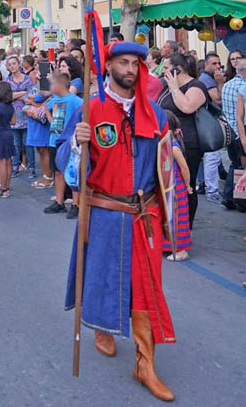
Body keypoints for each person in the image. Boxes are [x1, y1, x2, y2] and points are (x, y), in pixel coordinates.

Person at [63, 41, 176, 402]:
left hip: (144, 214)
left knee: (146, 287)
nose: (130, 69)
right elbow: (68, 168)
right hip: (105, 211)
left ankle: (145, 363)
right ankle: (102, 327)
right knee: (104, 277)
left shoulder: (154, 115)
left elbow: (165, 168)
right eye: (123, 62)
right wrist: (77, 145)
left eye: (136, 64)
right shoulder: (89, 111)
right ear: (108, 65)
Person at [157, 53, 208, 227]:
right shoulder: (167, 86)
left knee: (187, 184)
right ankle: (170, 226)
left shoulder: (196, 86)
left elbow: (186, 107)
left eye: (166, 68)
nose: (162, 71)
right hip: (166, 141)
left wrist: (174, 88)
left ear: (177, 69)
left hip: (188, 144)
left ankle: (186, 227)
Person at [44, 72, 82, 217]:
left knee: (72, 172)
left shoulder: (74, 100)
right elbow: (47, 109)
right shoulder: (54, 100)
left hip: (69, 142)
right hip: (55, 139)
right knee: (58, 172)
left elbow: (85, 111)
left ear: (60, 85)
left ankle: (76, 204)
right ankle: (59, 202)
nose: (51, 86)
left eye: (53, 83)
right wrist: (50, 118)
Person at [161, 111, 193, 262]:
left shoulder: (174, 147)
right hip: (167, 187)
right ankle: (168, 245)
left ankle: (181, 249)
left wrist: (187, 185)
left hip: (176, 187)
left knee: (177, 216)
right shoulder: (165, 145)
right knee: (168, 216)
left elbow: (184, 168)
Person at [198, 52, 225, 203]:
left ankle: (208, 187)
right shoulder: (207, 79)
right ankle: (212, 191)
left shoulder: (209, 78)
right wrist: (220, 83)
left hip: (211, 120)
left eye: (219, 63)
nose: (217, 66)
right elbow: (218, 99)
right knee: (212, 157)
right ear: (206, 64)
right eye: (214, 63)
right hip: (210, 121)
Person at [221, 57, 246, 210]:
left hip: (231, 130)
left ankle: (230, 197)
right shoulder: (242, 87)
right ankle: (240, 200)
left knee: (235, 165)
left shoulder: (226, 85)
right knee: (241, 167)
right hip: (240, 130)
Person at [6, 54, 34, 177]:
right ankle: (15, 166)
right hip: (13, 116)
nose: (12, 66)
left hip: (27, 115)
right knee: (16, 144)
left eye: (14, 63)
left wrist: (16, 94)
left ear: (19, 64)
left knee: (28, 143)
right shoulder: (7, 81)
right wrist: (22, 93)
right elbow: (7, 97)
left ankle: (32, 168)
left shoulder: (28, 79)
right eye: (9, 64)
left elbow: (31, 96)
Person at [0, 80, 15, 198]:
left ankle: (2, 188)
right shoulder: (10, 106)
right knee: (8, 161)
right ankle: (7, 187)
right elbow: (14, 121)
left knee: (1, 162)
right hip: (9, 133)